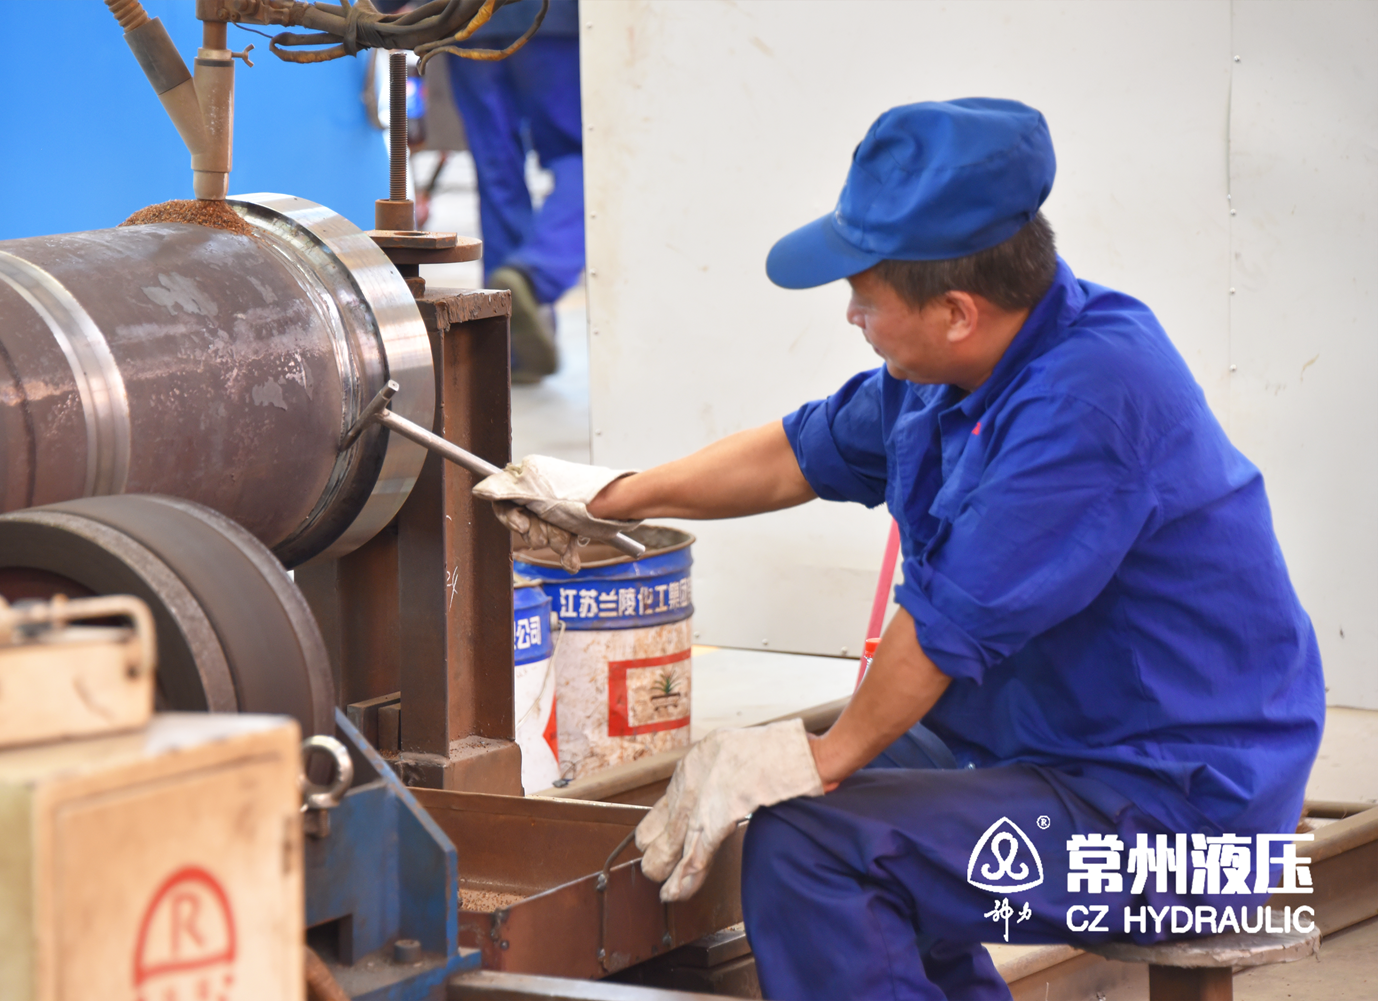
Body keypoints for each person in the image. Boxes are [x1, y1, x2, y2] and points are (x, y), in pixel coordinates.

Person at [474, 99, 1324, 1000]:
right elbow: (794, 454)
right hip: (1048, 744)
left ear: (956, 309)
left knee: (815, 843)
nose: (851, 315)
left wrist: (815, 757)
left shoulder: (1089, 399)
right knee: (835, 799)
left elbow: (943, 628)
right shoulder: (956, 369)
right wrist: (606, 496)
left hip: (1179, 814)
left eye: (865, 298)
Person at [447, 0, 583, 383]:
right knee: (581, 155)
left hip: (462, 18)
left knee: (496, 169)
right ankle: (537, 273)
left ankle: (508, 343)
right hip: (553, 16)